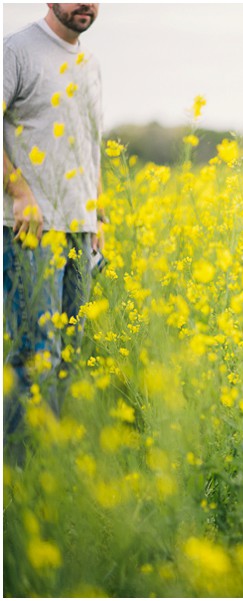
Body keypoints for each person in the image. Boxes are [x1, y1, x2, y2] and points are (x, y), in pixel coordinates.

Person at [3, 3, 103, 448]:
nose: (86, 3)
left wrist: (97, 213)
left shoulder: (91, 63)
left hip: (80, 225)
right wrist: (19, 192)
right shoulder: (18, 50)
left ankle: (54, 468)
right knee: (35, 353)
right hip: (33, 228)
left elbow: (89, 141)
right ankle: (20, 475)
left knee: (70, 352)